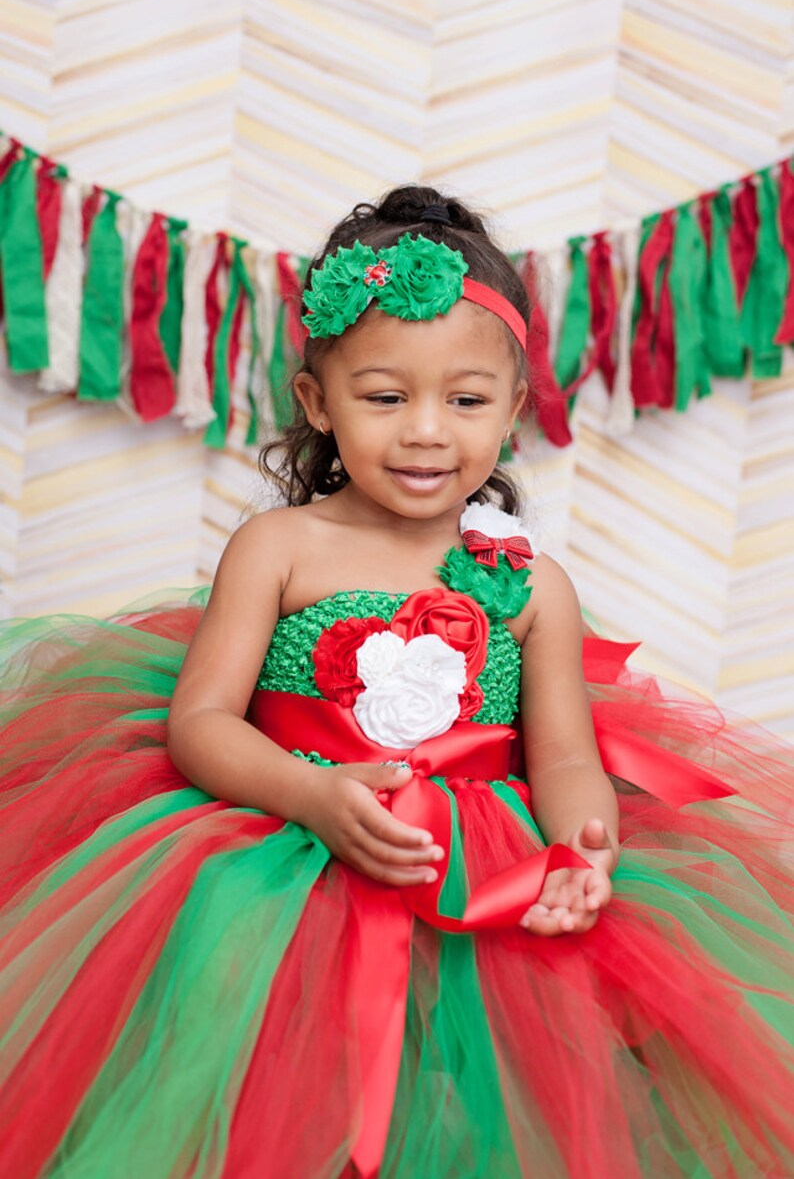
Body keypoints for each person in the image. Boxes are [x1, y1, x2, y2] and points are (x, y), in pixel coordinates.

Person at [0, 185, 792, 1179]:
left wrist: (580, 852)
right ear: (317, 403)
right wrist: (307, 793)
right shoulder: (279, 547)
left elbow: (561, 755)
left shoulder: (530, 583)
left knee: (478, 1108)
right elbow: (198, 723)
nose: (425, 431)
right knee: (272, 1094)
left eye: (463, 401)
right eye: (385, 397)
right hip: (280, 853)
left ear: (510, 413)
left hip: (481, 873)